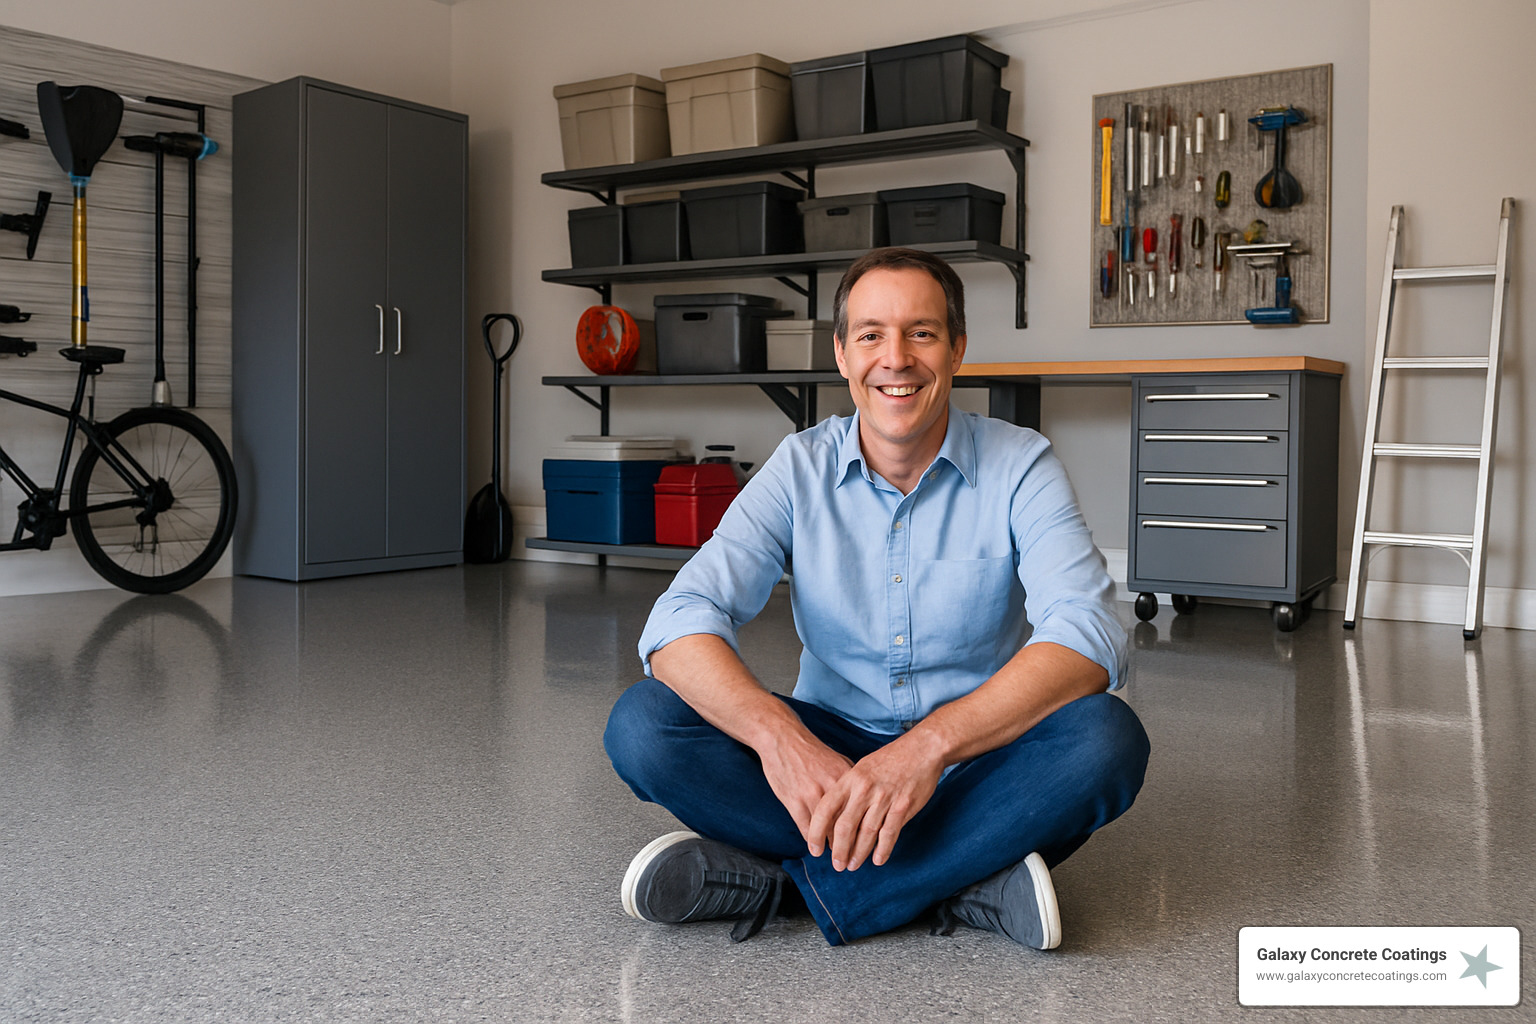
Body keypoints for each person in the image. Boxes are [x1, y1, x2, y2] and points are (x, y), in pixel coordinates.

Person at [604, 247, 1149, 949]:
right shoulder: (799, 466)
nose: (896, 358)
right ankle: (968, 874)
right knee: (645, 724)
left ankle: (795, 886)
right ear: (841, 354)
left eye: (921, 332)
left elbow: (1089, 632)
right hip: (828, 751)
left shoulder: (1021, 464)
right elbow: (680, 620)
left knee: (1106, 738)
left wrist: (927, 750)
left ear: (956, 348)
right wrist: (780, 741)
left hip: (971, 761)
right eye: (871, 335)